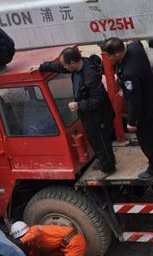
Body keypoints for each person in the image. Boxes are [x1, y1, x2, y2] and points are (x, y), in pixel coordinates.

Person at [30, 47, 116, 176]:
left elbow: (98, 98)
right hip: (88, 114)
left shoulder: (90, 76)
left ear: (72, 63)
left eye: (65, 64)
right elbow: (59, 67)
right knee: (93, 139)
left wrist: (79, 105)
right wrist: (42, 66)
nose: (63, 67)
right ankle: (102, 160)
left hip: (98, 116)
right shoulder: (76, 66)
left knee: (101, 141)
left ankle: (108, 166)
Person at [104, 38, 153, 180]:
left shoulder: (129, 73)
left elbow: (134, 100)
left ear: (116, 55)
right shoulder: (135, 49)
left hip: (143, 109)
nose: (108, 59)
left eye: (109, 56)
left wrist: (132, 122)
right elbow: (135, 41)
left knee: (147, 139)